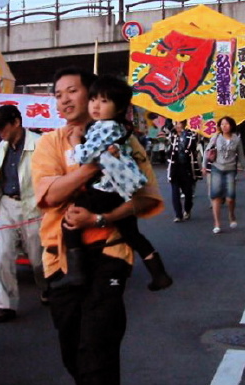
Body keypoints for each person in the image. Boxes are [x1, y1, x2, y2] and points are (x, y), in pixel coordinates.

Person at [32, 67, 164, 385]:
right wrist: (91, 165)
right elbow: (49, 194)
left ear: (92, 95)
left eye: (73, 91)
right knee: (72, 347)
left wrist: (99, 216)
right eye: (58, 94)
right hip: (60, 258)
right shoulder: (49, 144)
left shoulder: (124, 139)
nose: (65, 99)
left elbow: (145, 197)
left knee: (98, 342)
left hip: (110, 251)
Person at [52, 74, 172, 292]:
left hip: (104, 190)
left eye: (104, 101)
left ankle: (76, 273)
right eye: (93, 99)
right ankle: (159, 274)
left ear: (118, 109)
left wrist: (74, 141)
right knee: (132, 234)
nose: (96, 105)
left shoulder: (103, 127)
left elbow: (85, 156)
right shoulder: (118, 128)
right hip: (121, 190)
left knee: (69, 222)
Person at [0, 104, 48, 323]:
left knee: (38, 258)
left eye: (2, 126)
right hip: (7, 205)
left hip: (34, 207)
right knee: (2, 256)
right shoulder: (2, 147)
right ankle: (5, 305)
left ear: (16, 122)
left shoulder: (40, 144)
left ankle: (47, 288)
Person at [204, 116, 245, 234]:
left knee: (230, 197)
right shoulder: (216, 137)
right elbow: (207, 151)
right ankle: (217, 223)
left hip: (230, 169)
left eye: (227, 124)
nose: (224, 126)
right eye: (222, 124)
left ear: (232, 125)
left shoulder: (237, 139)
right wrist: (204, 166)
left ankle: (231, 214)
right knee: (216, 196)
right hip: (216, 168)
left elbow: (241, 156)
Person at [167, 120, 199, 223]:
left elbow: (193, 148)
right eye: (175, 123)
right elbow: (169, 148)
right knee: (175, 192)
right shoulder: (172, 135)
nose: (177, 125)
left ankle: (187, 209)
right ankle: (178, 215)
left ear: (184, 124)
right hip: (174, 167)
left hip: (186, 167)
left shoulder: (190, 135)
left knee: (188, 192)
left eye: (179, 123)